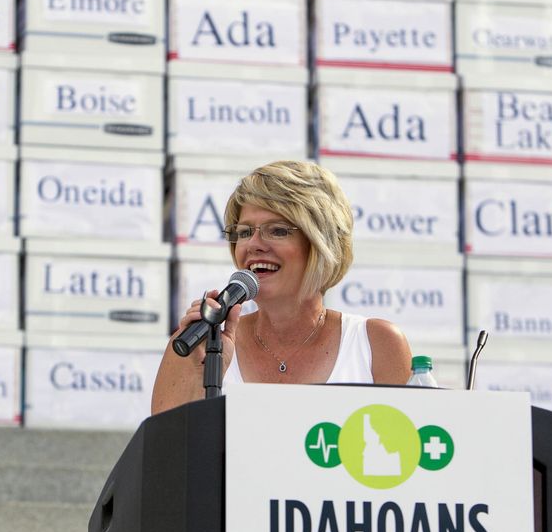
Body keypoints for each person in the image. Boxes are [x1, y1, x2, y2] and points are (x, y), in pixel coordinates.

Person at [151, 160, 411, 415]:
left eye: (277, 231)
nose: (253, 245)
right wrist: (199, 376)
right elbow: (168, 443)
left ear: (320, 244)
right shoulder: (195, 345)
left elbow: (404, 440)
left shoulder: (377, 343)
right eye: (244, 232)